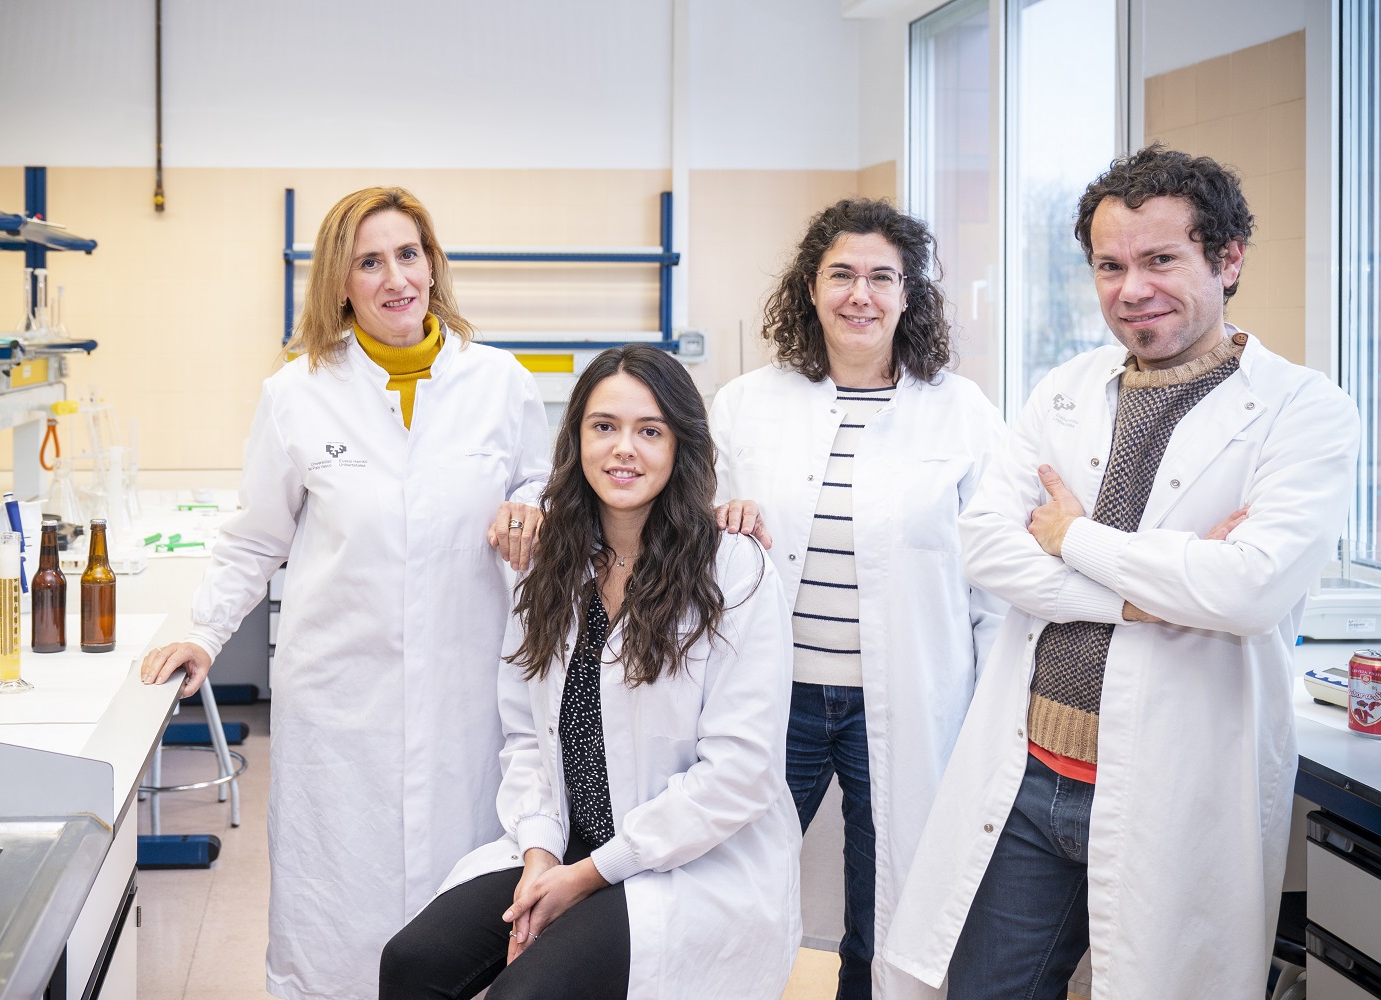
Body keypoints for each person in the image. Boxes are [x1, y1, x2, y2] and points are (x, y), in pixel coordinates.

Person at [881, 146, 1360, 999]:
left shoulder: (1303, 409)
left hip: (1174, 787)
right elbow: (985, 544)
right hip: (1029, 775)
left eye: (1160, 259)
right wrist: (1149, 597)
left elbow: (1248, 588)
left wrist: (1071, 537)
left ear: (1228, 259)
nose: (1131, 288)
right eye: (1110, 265)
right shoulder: (1066, 389)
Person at [140, 186, 551, 1000]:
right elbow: (257, 536)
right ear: (339, 283)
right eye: (369, 262)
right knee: (336, 913)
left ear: (432, 265)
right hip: (341, 704)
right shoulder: (296, 393)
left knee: (461, 906)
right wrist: (204, 632)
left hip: (466, 697)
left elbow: (537, 481)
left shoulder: (499, 382)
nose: (395, 278)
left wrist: (533, 507)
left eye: (408, 255)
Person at [379, 344, 802, 1000]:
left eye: (650, 431)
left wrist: (587, 875)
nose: (623, 449)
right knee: (411, 962)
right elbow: (526, 736)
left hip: (682, 863)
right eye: (604, 426)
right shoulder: (553, 565)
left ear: (681, 446)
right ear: (577, 439)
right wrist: (540, 853)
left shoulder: (733, 569)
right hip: (565, 842)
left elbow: (739, 773)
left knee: (526, 995)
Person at [709, 198, 1004, 999]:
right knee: (735, 883)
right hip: (777, 699)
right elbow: (695, 539)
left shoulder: (962, 413)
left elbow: (994, 582)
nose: (860, 295)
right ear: (811, 287)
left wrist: (988, 708)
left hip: (906, 700)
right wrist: (717, 520)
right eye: (841, 274)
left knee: (889, 908)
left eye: (882, 277)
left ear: (909, 294)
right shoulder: (747, 403)